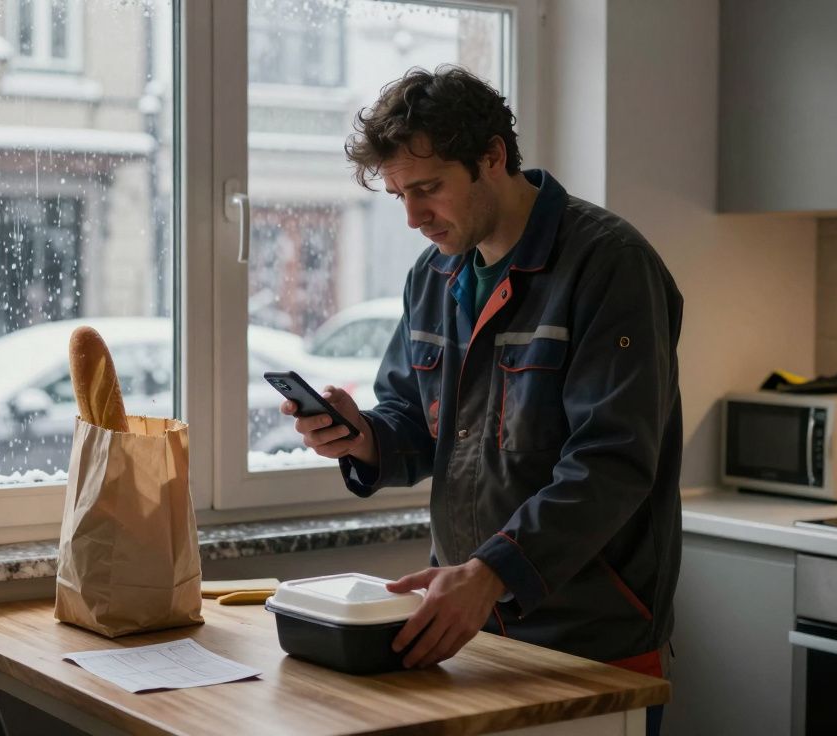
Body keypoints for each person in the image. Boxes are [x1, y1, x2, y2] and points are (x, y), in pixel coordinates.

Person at [280, 66, 683, 735]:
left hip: (589, 640)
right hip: (467, 629)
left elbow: (613, 463)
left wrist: (492, 572)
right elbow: (415, 420)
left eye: (429, 188)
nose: (412, 216)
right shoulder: (434, 273)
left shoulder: (608, 263)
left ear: (493, 157)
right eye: (399, 195)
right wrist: (364, 437)